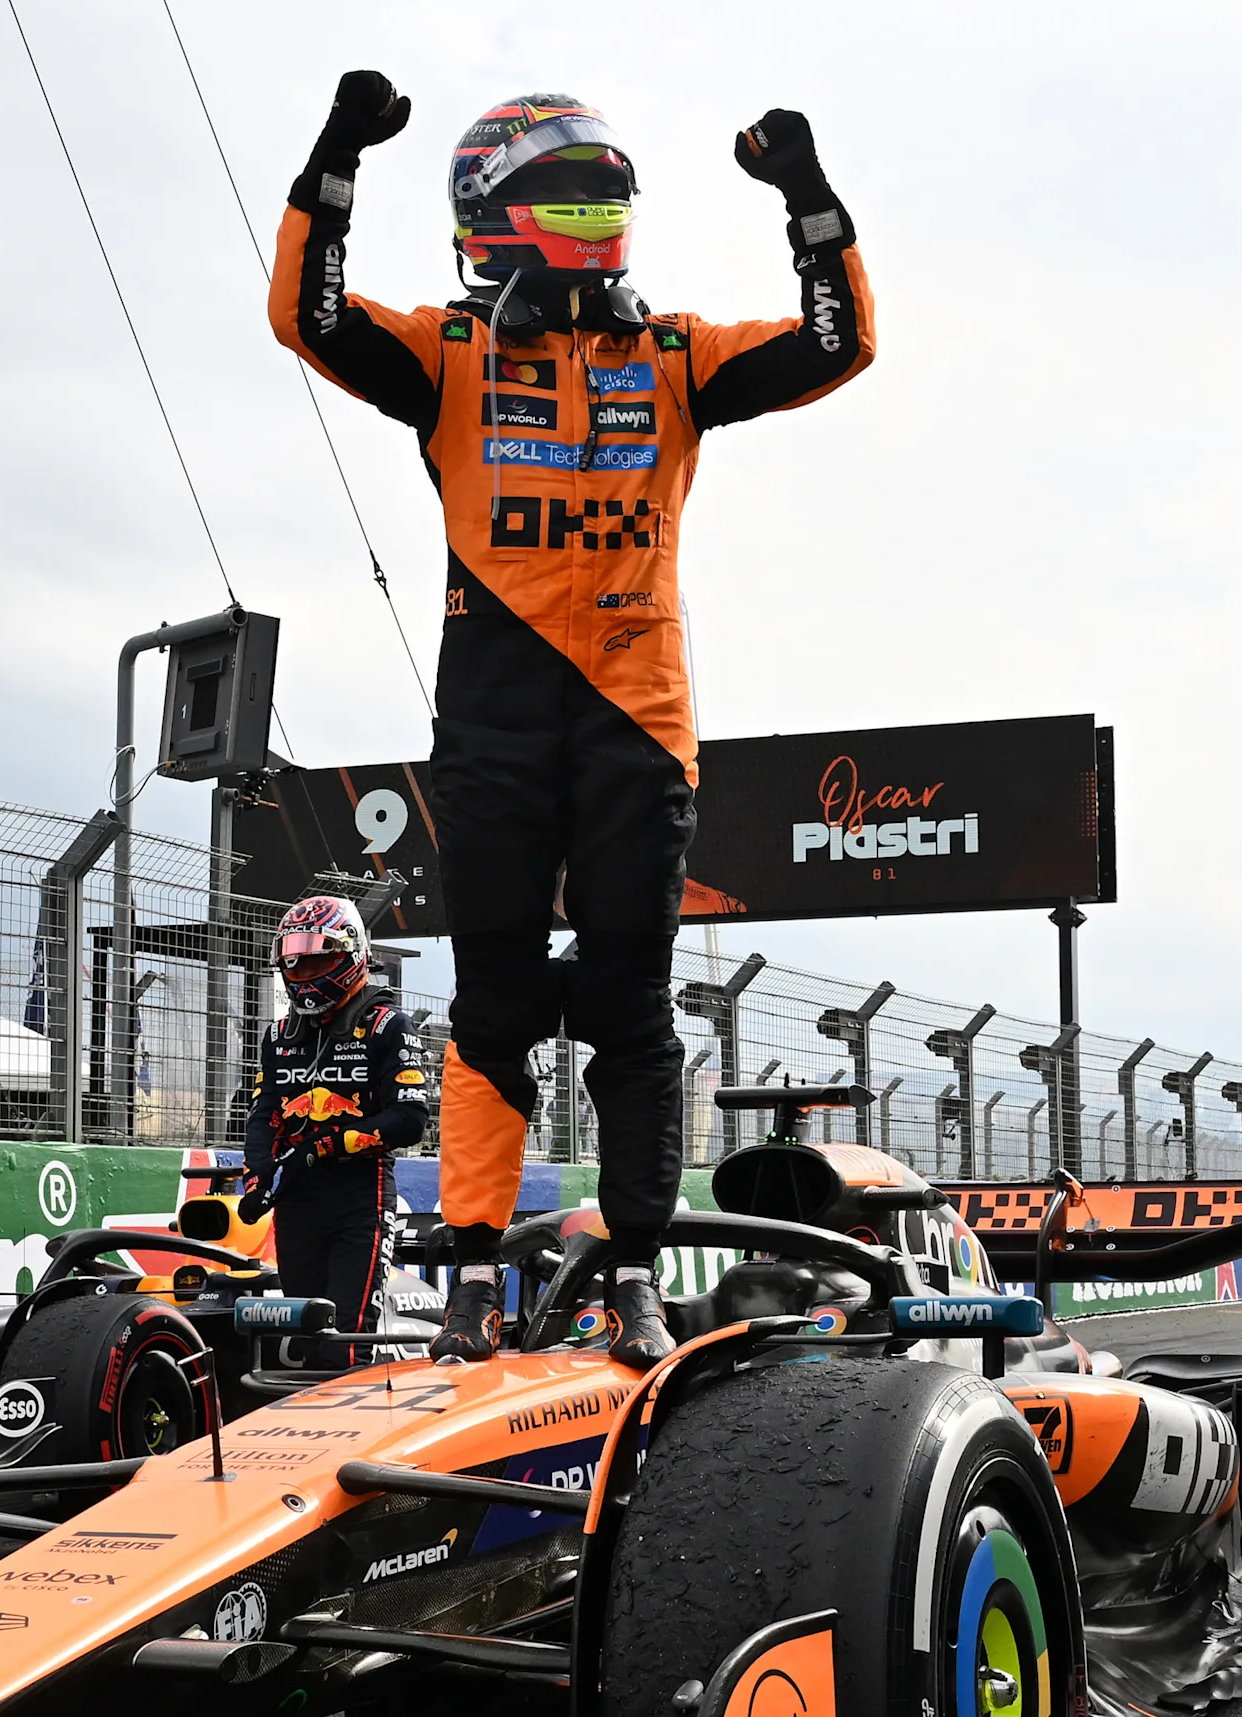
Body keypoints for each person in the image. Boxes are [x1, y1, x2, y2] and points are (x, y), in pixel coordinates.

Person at [269, 74, 874, 1369]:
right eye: (573, 198)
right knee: (491, 1009)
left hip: (636, 727)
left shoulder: (675, 358)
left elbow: (837, 346)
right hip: (491, 726)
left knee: (631, 1012)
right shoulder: (451, 353)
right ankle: (478, 1281)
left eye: (614, 198)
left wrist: (806, 196)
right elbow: (306, 317)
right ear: (495, 215)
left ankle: (638, 1278)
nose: (601, 221)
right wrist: (340, 153)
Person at [240, 896, 429, 1366]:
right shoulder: (278, 1036)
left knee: (343, 1339)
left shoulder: (389, 1025)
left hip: (360, 1199)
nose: (304, 975)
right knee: (304, 1335)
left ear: (351, 955)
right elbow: (265, 1112)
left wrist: (320, 1149)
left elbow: (410, 1120)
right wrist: (257, 1174)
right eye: (295, 964)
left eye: (318, 961)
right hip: (297, 1202)